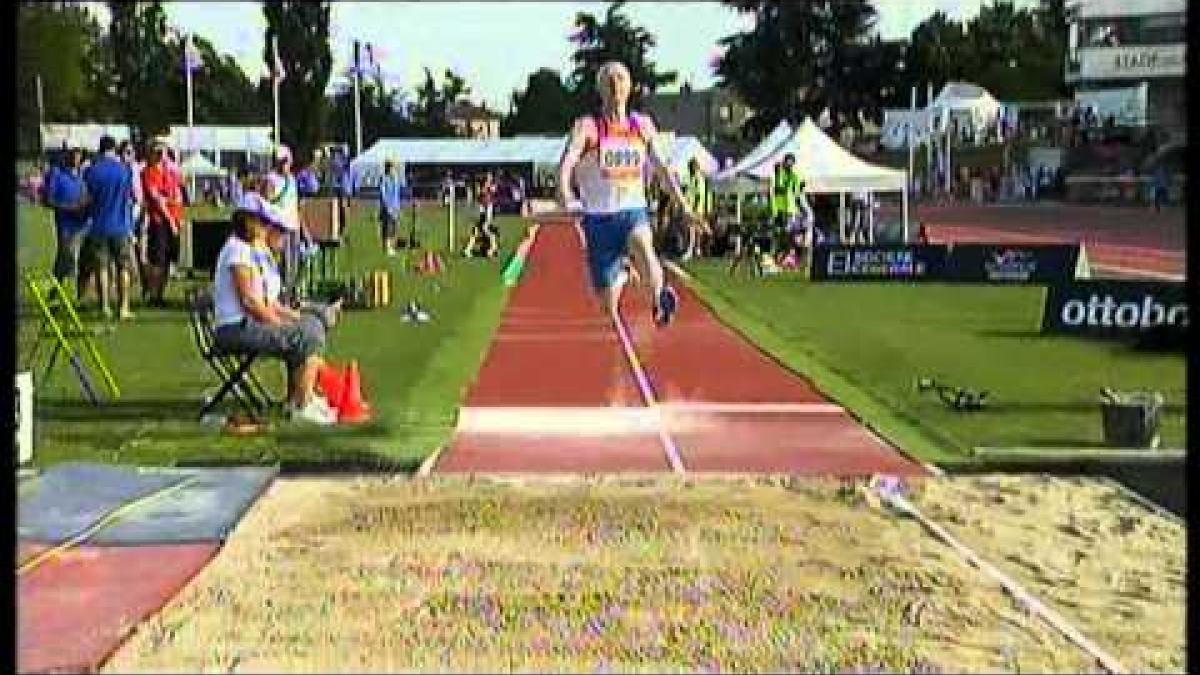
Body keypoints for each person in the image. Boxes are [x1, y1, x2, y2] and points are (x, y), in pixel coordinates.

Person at [557, 60, 704, 326]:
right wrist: (566, 193)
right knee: (607, 305)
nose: (615, 84)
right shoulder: (588, 127)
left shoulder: (642, 125)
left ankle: (660, 299)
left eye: (621, 78)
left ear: (630, 87)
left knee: (644, 247)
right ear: (600, 88)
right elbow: (567, 161)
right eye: (609, 78)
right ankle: (623, 272)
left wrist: (684, 207)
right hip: (598, 219)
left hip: (632, 211)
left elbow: (662, 168)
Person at [211, 192, 342, 425]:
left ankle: (301, 397)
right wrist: (281, 323)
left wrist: (294, 318)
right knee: (307, 335)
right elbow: (250, 303)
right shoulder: (237, 251)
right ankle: (303, 404)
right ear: (249, 222)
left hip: (246, 325)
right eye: (263, 222)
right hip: (235, 329)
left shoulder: (246, 250)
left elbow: (267, 302)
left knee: (310, 326)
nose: (266, 227)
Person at [82, 135, 137, 320]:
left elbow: (88, 197)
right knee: (123, 267)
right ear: (114, 149)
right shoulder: (124, 170)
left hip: (98, 225)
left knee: (102, 268)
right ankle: (123, 307)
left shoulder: (92, 171)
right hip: (121, 225)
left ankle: (104, 306)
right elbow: (129, 198)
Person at [42, 147, 91, 294]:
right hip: (66, 225)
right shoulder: (57, 174)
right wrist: (70, 208)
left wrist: (85, 205)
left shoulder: (83, 174)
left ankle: (78, 294)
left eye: (78, 156)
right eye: (72, 155)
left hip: (84, 223)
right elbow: (49, 200)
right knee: (67, 257)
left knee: (83, 260)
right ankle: (58, 291)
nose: (75, 159)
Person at [141, 143, 185, 307]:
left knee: (169, 259)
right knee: (157, 259)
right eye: (157, 152)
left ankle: (160, 294)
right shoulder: (148, 172)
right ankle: (153, 294)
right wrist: (171, 219)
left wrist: (175, 213)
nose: (160, 156)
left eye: (163, 153)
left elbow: (178, 196)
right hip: (159, 221)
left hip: (174, 219)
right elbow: (157, 199)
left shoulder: (170, 173)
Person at [378, 160, 405, 256]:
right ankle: (387, 247)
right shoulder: (384, 178)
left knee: (395, 227)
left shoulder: (396, 179)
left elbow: (397, 194)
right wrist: (387, 206)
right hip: (387, 207)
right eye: (392, 167)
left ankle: (392, 247)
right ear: (388, 168)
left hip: (395, 207)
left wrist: (398, 207)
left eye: (394, 168)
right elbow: (383, 194)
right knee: (387, 228)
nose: (394, 169)